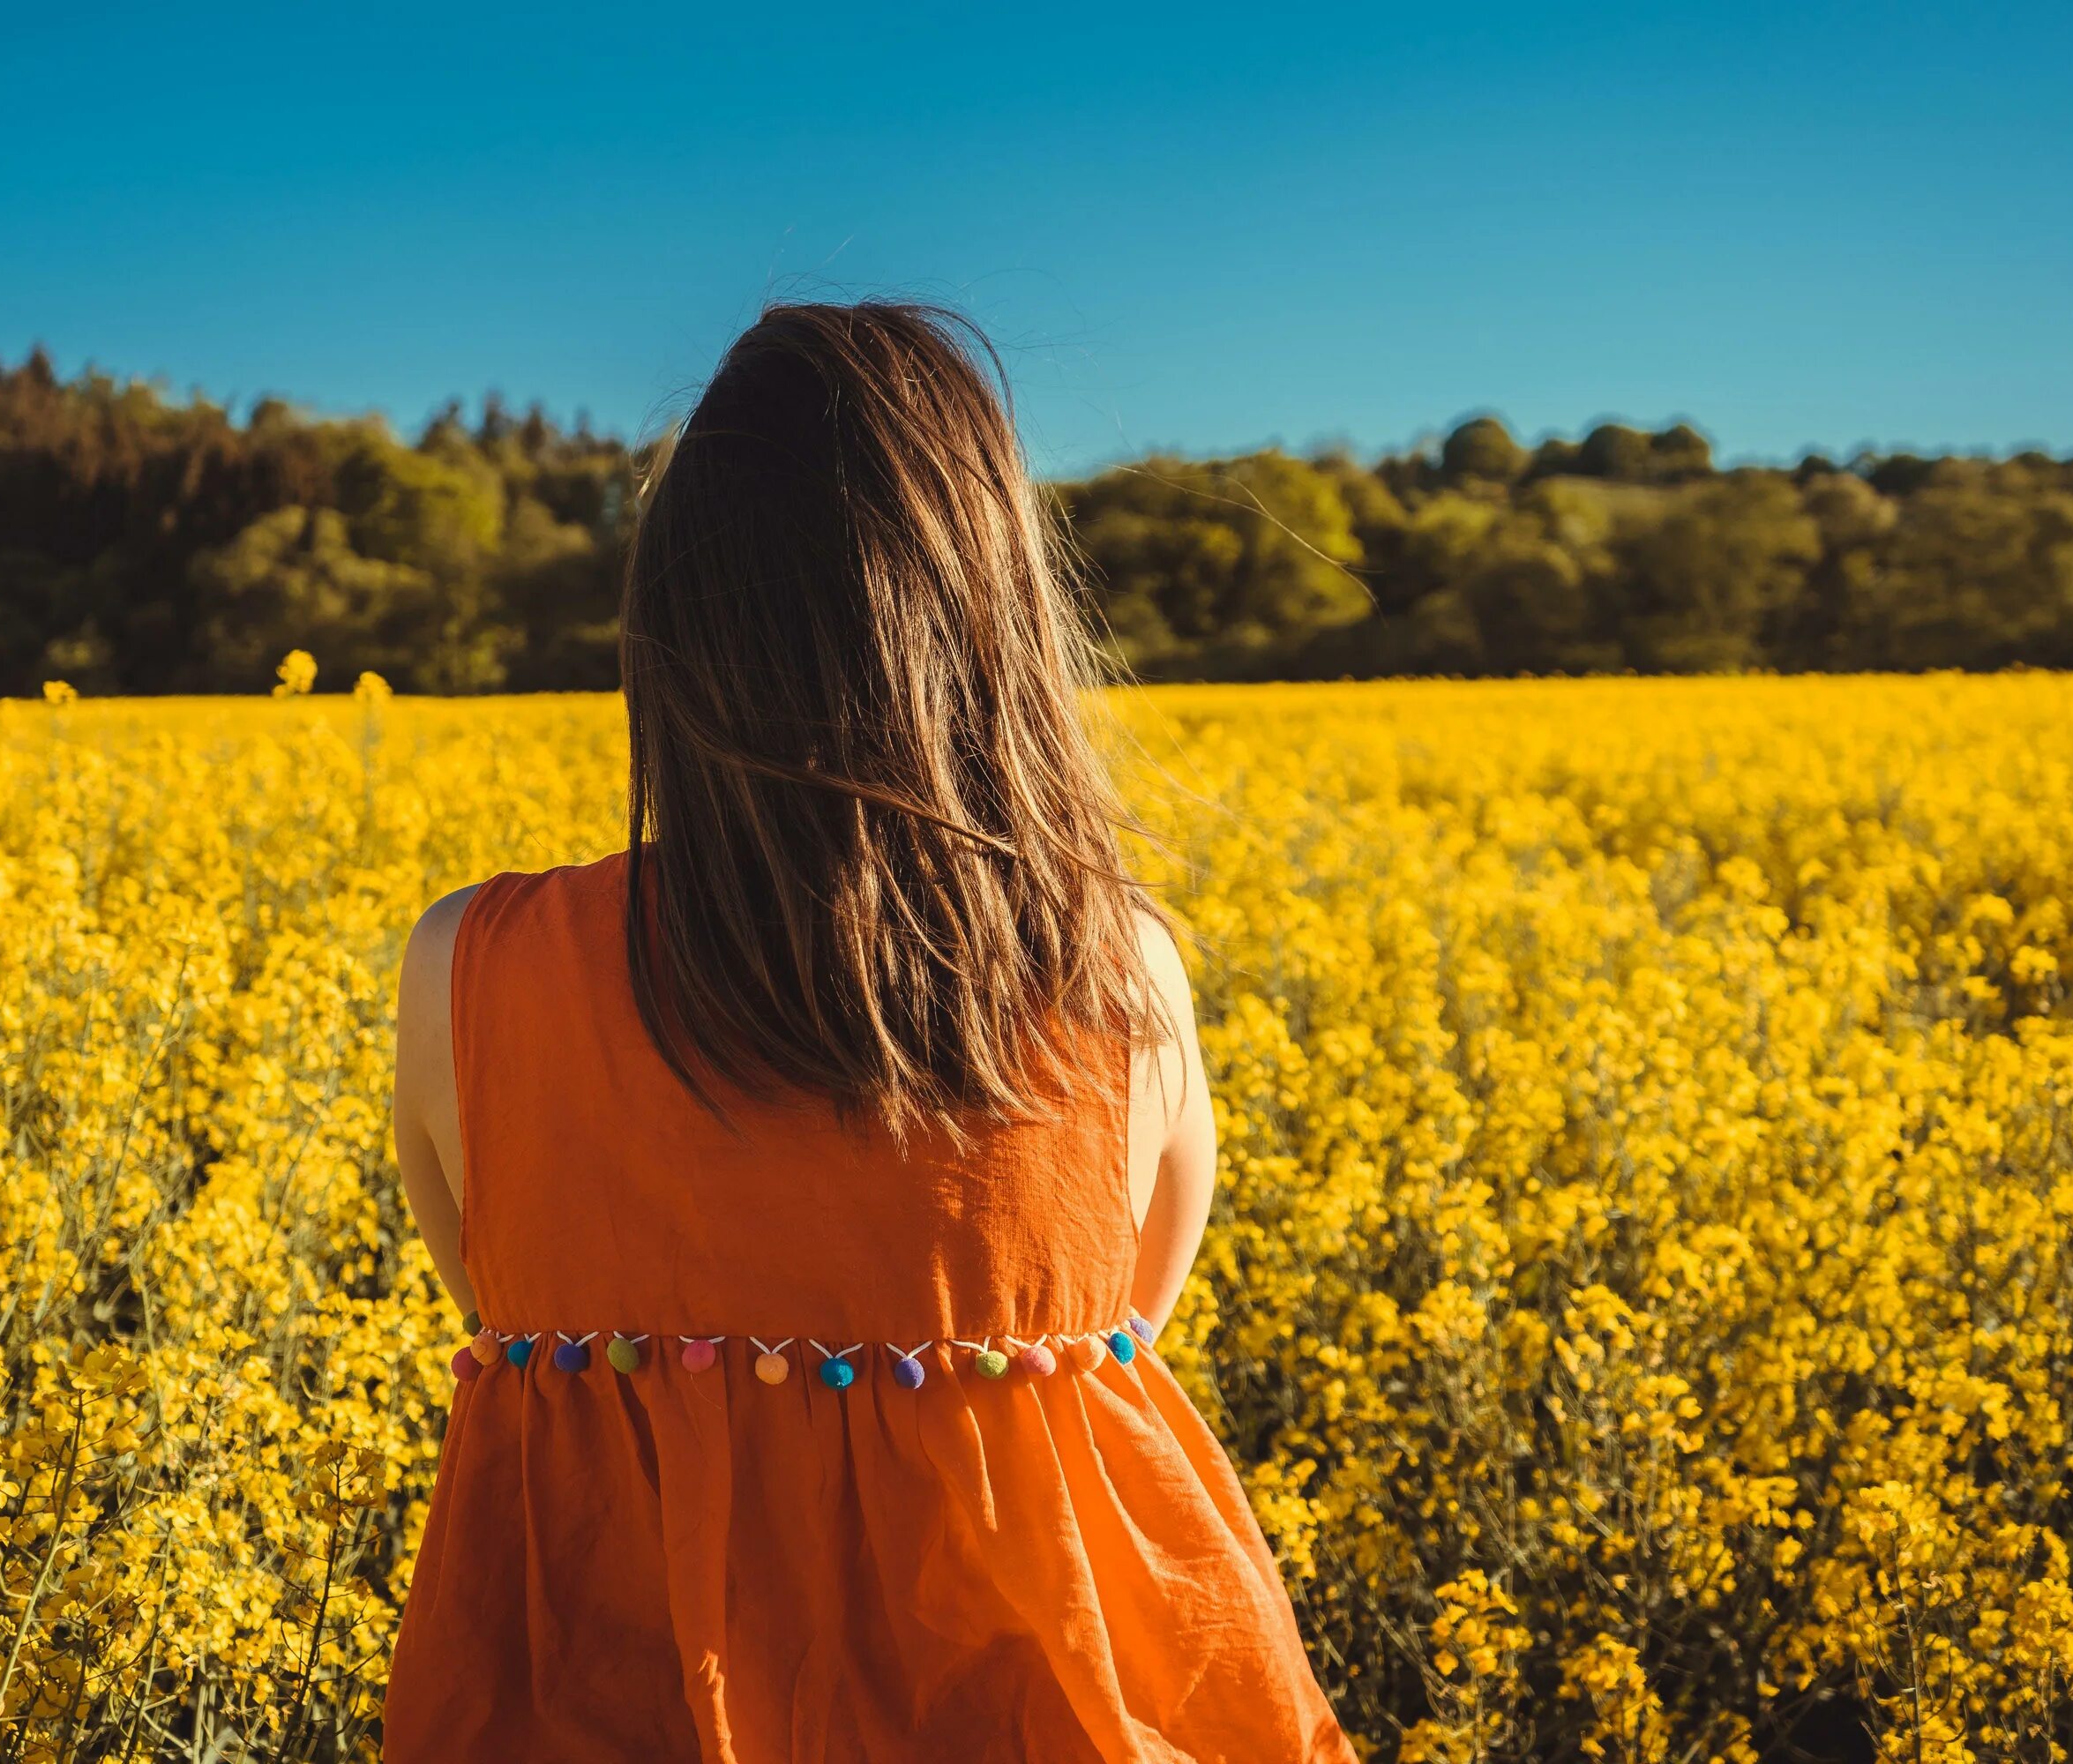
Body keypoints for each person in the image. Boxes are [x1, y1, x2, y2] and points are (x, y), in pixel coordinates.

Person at [381, 301, 1353, 1763]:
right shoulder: (1123, 981)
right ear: (1001, 628)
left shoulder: (472, 970)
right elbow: (1125, 1316)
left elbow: (496, 1282)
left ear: (671, 630)